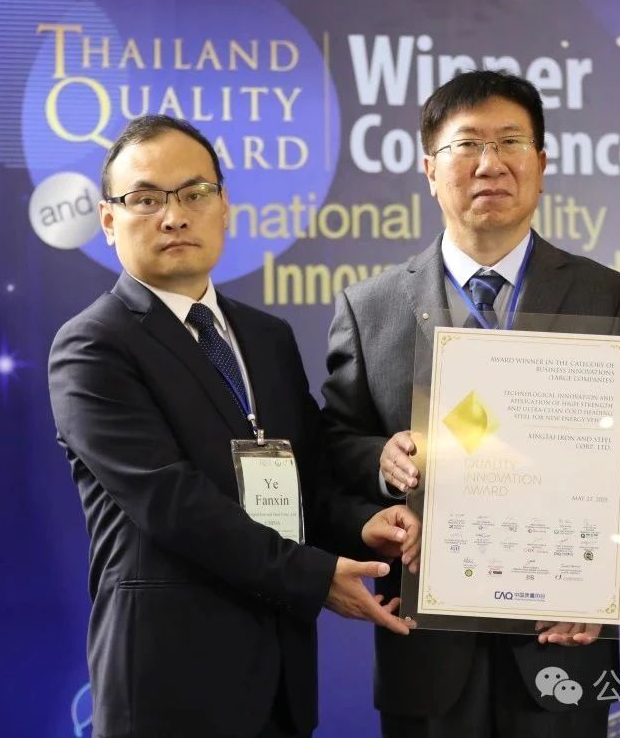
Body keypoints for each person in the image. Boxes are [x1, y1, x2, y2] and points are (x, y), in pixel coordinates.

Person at [48, 114, 418, 738]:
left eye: (195, 193)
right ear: (109, 221)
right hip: (168, 686)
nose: (174, 216)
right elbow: (173, 503)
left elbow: (306, 477)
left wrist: (363, 524)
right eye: (146, 199)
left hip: (279, 678)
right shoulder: (92, 346)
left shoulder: (265, 337)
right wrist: (315, 577)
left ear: (225, 208)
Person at [322, 71, 620, 737]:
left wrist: (606, 582)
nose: (490, 163)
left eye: (510, 142)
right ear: (429, 169)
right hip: (425, 646)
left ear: (542, 164)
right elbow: (334, 448)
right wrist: (381, 465)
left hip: (563, 637)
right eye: (467, 144)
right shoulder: (369, 307)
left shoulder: (608, 296)